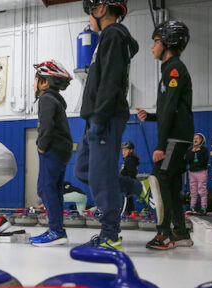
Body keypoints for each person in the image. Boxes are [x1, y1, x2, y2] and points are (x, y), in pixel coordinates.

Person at [74, 0, 138, 251]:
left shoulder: (113, 35)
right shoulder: (107, 38)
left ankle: (111, 234)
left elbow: (111, 81)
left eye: (90, 13)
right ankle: (136, 187)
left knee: (101, 176)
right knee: (83, 170)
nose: (89, 20)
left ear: (100, 9)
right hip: (96, 118)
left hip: (106, 117)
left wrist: (100, 119)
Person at [136, 21, 194, 249]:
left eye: (156, 41)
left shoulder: (174, 69)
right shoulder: (171, 68)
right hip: (177, 136)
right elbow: (171, 109)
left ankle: (165, 234)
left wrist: (160, 145)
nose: (152, 46)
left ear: (168, 43)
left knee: (159, 181)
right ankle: (180, 234)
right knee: (170, 185)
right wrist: (150, 117)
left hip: (174, 138)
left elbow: (170, 109)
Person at [28, 60, 73, 247]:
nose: (34, 84)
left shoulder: (46, 98)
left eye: (36, 79)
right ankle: (57, 229)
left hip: (52, 149)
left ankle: (56, 231)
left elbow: (46, 125)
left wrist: (41, 145)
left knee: (45, 189)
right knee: (54, 189)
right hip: (62, 150)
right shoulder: (56, 100)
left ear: (45, 82)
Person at [184, 133, 208, 215]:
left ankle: (203, 208)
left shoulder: (204, 150)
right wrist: (192, 152)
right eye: (194, 138)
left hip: (201, 172)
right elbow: (188, 161)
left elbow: (204, 161)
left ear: (202, 141)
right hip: (192, 172)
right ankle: (192, 207)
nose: (195, 139)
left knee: (202, 190)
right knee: (193, 191)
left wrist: (198, 152)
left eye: (198, 138)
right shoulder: (189, 150)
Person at [120, 141, 139, 214]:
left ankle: (124, 214)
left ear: (131, 150)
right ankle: (129, 213)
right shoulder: (129, 159)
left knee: (126, 200)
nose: (123, 152)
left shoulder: (131, 160)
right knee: (128, 199)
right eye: (122, 150)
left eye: (125, 150)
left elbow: (131, 173)